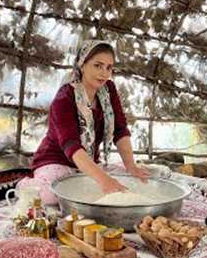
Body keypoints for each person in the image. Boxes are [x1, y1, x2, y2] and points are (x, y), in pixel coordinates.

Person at [17, 40, 150, 206]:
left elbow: (120, 130)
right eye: (97, 65)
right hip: (57, 161)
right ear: (82, 64)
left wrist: (131, 167)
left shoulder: (109, 90)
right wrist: (104, 180)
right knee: (52, 196)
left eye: (109, 67)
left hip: (87, 165)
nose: (104, 73)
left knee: (137, 180)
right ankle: (24, 185)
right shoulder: (64, 98)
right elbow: (71, 145)